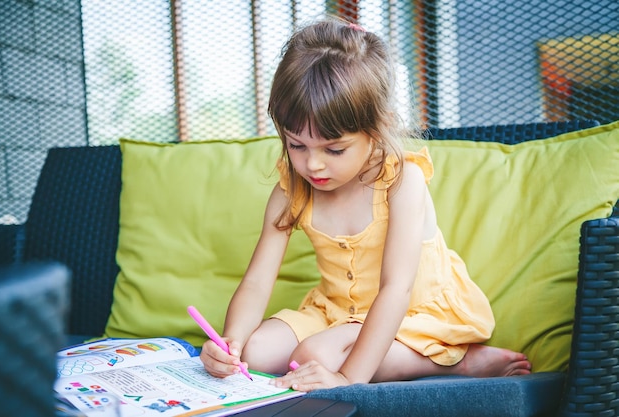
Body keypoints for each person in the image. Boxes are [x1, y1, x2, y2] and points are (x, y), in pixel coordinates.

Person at [200, 18, 531, 392]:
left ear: (377, 128)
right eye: (297, 145)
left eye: (334, 149)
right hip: (336, 311)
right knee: (257, 353)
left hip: (410, 313)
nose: (313, 165)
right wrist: (230, 344)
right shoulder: (292, 188)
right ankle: (321, 352)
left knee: (315, 357)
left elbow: (396, 289)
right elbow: (259, 281)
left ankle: (460, 362)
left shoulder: (402, 182)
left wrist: (345, 379)